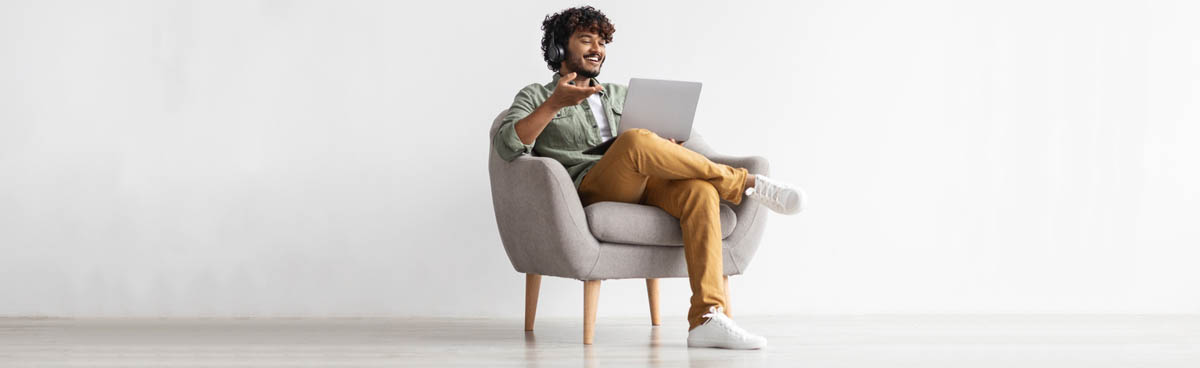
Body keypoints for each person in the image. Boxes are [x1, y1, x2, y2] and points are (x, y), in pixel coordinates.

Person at [492, 6, 805, 350]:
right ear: (559, 49)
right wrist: (554, 104)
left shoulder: (619, 94)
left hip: (643, 180)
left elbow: (645, 145)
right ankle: (745, 183)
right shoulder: (536, 96)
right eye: (586, 40)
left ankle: (707, 318)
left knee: (700, 192)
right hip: (593, 187)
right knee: (636, 141)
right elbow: (508, 145)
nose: (597, 49)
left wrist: (666, 146)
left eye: (602, 42)